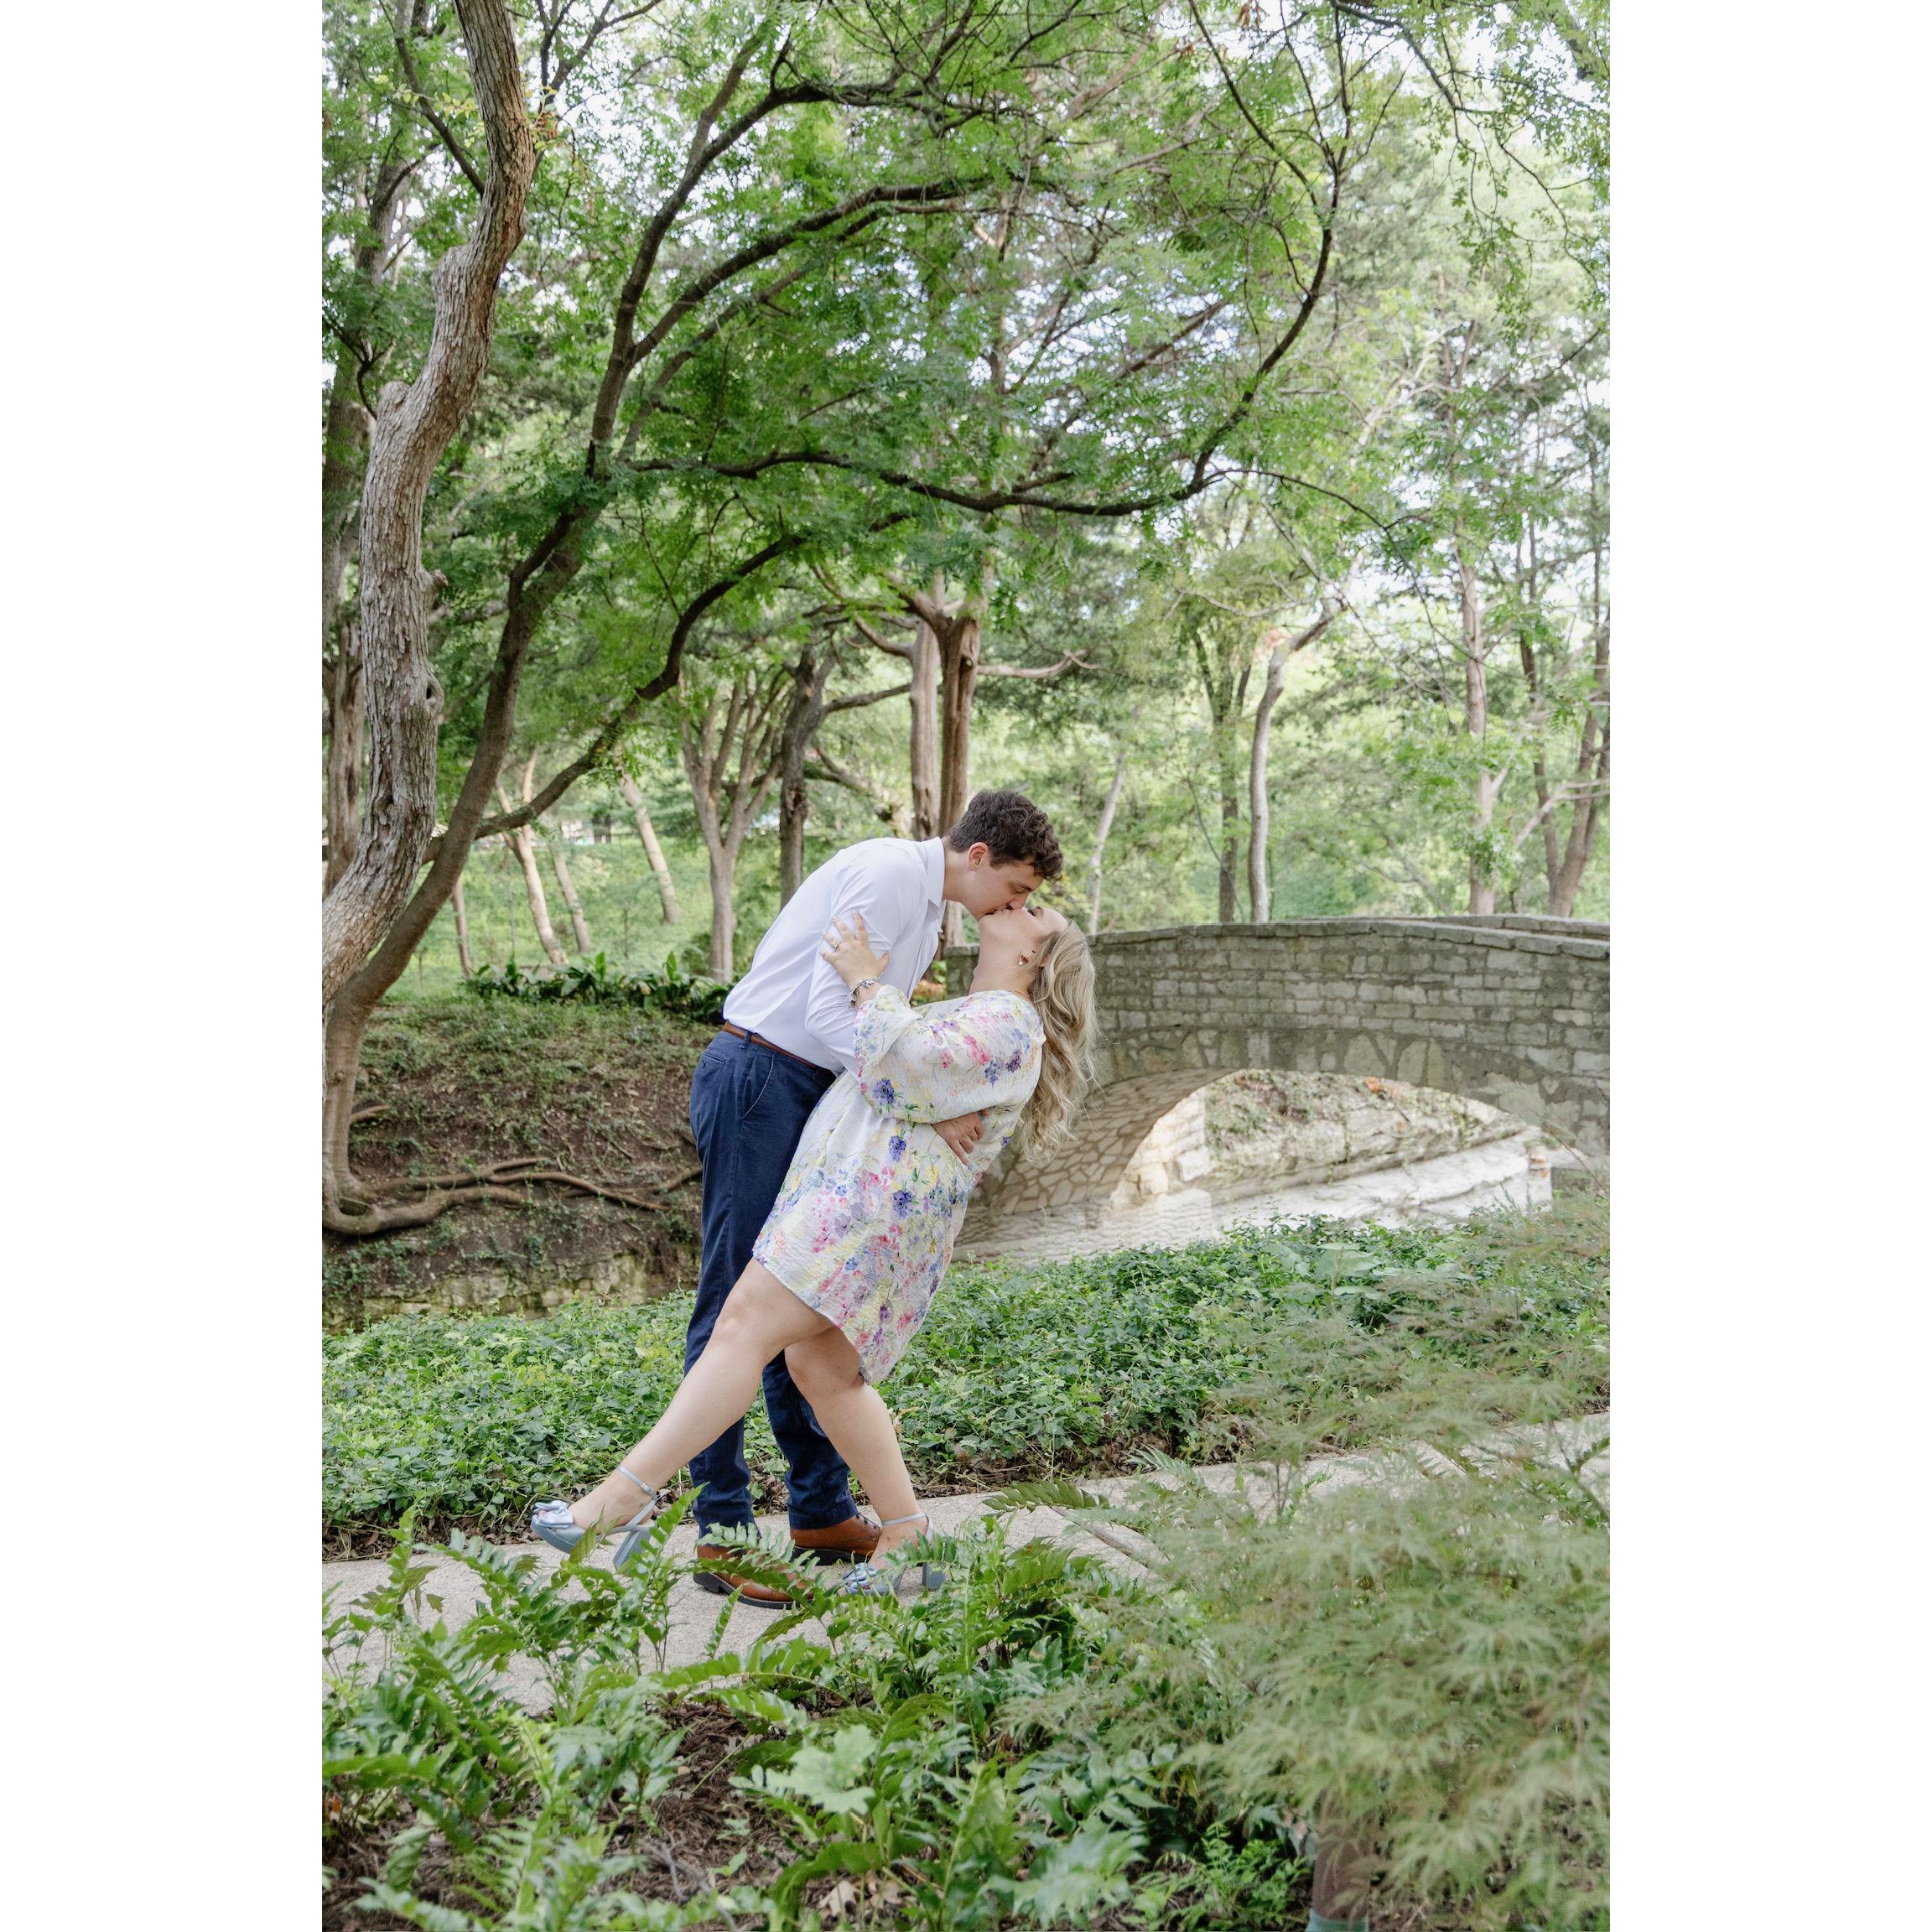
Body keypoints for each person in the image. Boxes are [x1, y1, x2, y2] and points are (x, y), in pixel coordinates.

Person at [542, 792, 1066, 1604]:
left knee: (802, 1332)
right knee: (739, 1309)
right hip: (767, 1075)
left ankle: (820, 1514)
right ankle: (723, 1532)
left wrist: (917, 1082)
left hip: (824, 1104)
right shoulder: (890, 875)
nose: (1014, 905)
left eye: (1026, 903)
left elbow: (895, 1039)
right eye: (1017, 887)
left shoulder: (936, 917)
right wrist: (918, 1090)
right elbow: (832, 1013)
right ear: (978, 856)